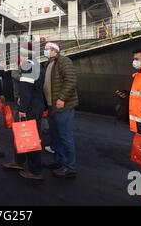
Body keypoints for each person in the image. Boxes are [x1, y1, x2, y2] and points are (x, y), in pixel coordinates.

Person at [2, 42, 46, 180]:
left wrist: (22, 109)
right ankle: (18, 162)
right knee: (24, 135)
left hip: (30, 108)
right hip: (36, 105)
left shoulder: (27, 64)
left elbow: (26, 89)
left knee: (30, 137)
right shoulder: (38, 64)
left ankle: (35, 171)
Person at [43, 42, 79, 179]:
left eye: (46, 49)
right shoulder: (48, 64)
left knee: (65, 137)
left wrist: (62, 98)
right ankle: (59, 162)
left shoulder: (64, 61)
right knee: (56, 137)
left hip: (63, 106)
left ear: (54, 50)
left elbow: (71, 80)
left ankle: (70, 167)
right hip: (52, 107)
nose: (45, 51)